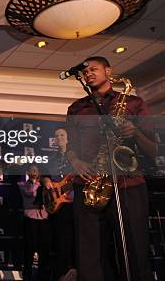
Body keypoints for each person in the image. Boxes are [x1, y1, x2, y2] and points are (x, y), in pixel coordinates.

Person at [65, 56, 156, 281]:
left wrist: (135, 132)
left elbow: (154, 149)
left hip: (128, 184)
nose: (88, 74)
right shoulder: (76, 108)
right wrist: (75, 161)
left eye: (94, 69)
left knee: (135, 249)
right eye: (85, 72)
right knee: (89, 255)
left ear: (109, 71)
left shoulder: (134, 103)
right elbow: (70, 148)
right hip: (89, 186)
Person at [41, 128, 76, 281]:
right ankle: (64, 273)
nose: (59, 137)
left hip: (76, 203)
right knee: (62, 241)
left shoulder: (76, 156)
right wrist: (46, 180)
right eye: (56, 136)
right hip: (59, 206)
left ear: (68, 138)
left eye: (62, 134)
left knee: (78, 239)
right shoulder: (50, 158)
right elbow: (43, 177)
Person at [17, 165, 51, 281]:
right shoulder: (23, 185)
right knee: (29, 250)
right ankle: (27, 276)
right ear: (27, 172)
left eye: (37, 170)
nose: (35, 172)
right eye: (32, 170)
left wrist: (45, 183)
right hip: (30, 220)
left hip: (44, 220)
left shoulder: (45, 184)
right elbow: (30, 193)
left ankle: (43, 277)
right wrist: (42, 181)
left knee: (44, 250)